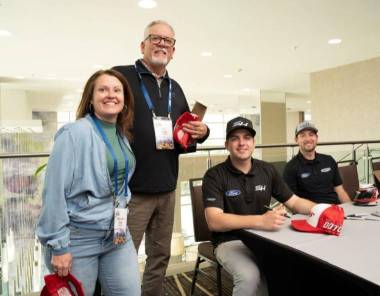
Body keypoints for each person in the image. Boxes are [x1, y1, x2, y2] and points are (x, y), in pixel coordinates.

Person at [113, 20, 209, 295]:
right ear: (143, 45)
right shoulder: (122, 77)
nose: (162, 44)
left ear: (173, 51)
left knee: (160, 257)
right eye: (156, 38)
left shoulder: (175, 88)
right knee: (121, 257)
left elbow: (183, 136)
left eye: (168, 41)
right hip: (131, 192)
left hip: (167, 188)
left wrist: (201, 132)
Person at [36, 69, 141, 295]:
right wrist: (59, 246)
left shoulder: (121, 134)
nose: (110, 95)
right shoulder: (74, 134)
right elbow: (54, 193)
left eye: (117, 90)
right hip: (79, 237)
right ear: (91, 99)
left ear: (125, 100)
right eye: (102, 90)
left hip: (117, 234)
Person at [202, 116, 315, 296]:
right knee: (249, 276)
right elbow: (214, 221)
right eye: (235, 138)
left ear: (254, 143)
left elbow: (293, 201)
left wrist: (320, 209)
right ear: (226, 144)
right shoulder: (214, 175)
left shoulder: (267, 170)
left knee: (295, 266)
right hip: (229, 241)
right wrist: (260, 221)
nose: (241, 143)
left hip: (265, 239)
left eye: (247, 137)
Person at [283, 121, 351, 204]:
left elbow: (340, 191)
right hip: (310, 213)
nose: (308, 139)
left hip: (335, 210)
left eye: (311, 134)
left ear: (316, 138)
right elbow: (291, 202)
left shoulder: (329, 160)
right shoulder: (291, 167)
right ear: (296, 140)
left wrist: (349, 209)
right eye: (303, 135)